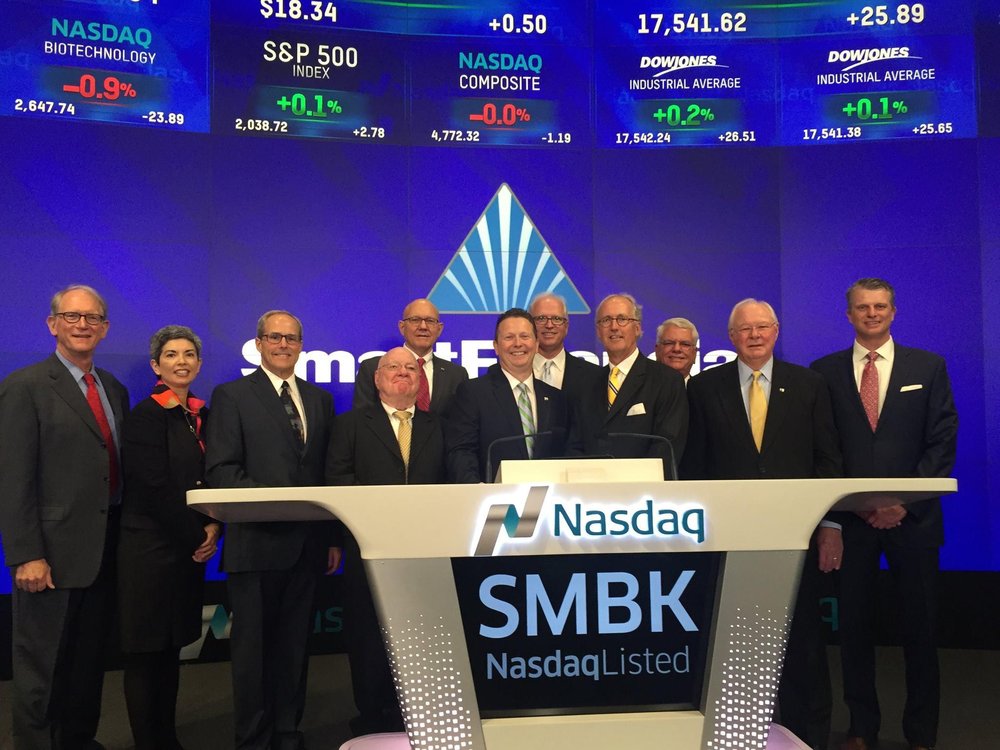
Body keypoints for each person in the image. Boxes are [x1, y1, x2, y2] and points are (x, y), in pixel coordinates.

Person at [681, 298, 843, 750]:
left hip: (796, 534)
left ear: (776, 331)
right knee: (733, 644)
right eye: (745, 329)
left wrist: (831, 525)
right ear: (731, 337)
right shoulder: (704, 388)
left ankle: (809, 735)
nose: (754, 335)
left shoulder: (809, 384)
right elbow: (695, 467)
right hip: (729, 539)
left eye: (762, 327)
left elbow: (828, 460)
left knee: (804, 641)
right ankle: (738, 733)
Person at [811, 278, 957, 750]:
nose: (871, 314)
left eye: (879, 306)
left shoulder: (928, 366)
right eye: (862, 307)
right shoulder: (824, 372)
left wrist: (901, 502)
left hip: (913, 522)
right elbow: (824, 450)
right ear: (848, 314)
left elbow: (941, 441)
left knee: (921, 632)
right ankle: (861, 729)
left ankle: (922, 734)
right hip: (851, 525)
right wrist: (836, 517)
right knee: (854, 633)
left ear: (893, 312)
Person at [0, 284, 130, 750]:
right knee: (41, 665)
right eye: (72, 317)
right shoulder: (25, 387)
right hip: (50, 556)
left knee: (87, 661)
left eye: (92, 318)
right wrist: (26, 554)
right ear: (52, 324)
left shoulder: (113, 388)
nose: (82, 325)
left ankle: (78, 740)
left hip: (104, 549)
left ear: (105, 328)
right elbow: (13, 478)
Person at [205, 310, 337, 750]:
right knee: (253, 654)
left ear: (301, 345)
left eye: (291, 338)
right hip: (255, 545)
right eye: (275, 337)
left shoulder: (319, 400)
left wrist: (329, 537)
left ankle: (287, 731)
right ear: (258, 343)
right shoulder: (232, 396)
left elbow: (326, 475)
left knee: (295, 649)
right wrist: (277, 504)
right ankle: (254, 739)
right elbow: (222, 471)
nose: (283, 345)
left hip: (307, 547)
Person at [327, 347, 447, 736]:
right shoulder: (349, 425)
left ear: (420, 380)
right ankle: (371, 718)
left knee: (421, 638)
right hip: (368, 549)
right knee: (367, 637)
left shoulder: (438, 427)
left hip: (425, 552)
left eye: (410, 368)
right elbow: (338, 480)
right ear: (377, 379)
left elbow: (449, 485)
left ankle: (415, 715)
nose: (402, 372)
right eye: (393, 367)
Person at [117, 325, 220, 750]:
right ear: (156, 366)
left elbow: (210, 480)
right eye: (172, 355)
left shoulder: (201, 414)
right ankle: (148, 742)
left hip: (186, 549)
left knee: (171, 649)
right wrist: (197, 533)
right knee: (145, 655)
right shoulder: (146, 415)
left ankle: (167, 738)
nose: (182, 361)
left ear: (198, 363)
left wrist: (214, 524)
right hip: (149, 551)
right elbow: (152, 486)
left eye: (189, 354)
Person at [446, 308, 572, 483]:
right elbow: (461, 452)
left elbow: (566, 452)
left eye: (525, 336)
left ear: (536, 344)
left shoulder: (556, 398)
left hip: (549, 495)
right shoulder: (473, 392)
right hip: (491, 496)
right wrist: (476, 490)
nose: (518, 343)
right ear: (496, 347)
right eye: (509, 337)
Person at [580, 293, 688, 477]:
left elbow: (666, 445)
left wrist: (631, 482)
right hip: (592, 489)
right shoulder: (586, 384)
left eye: (622, 319)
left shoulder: (667, 380)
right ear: (598, 332)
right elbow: (576, 443)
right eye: (606, 320)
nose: (614, 327)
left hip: (645, 489)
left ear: (637, 328)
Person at [353, 298, 468, 414]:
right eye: (415, 320)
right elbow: (362, 418)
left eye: (430, 321)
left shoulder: (457, 375)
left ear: (439, 329)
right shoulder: (372, 367)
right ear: (402, 327)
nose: (423, 327)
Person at [529, 292, 602, 402]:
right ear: (530, 325)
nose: (549, 325)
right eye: (541, 318)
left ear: (566, 326)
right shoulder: (513, 371)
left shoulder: (594, 376)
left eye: (557, 319)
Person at [654, 317, 699, 384]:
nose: (676, 349)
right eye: (669, 343)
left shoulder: (704, 390)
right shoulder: (641, 387)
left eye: (685, 344)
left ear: (694, 353)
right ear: (657, 350)